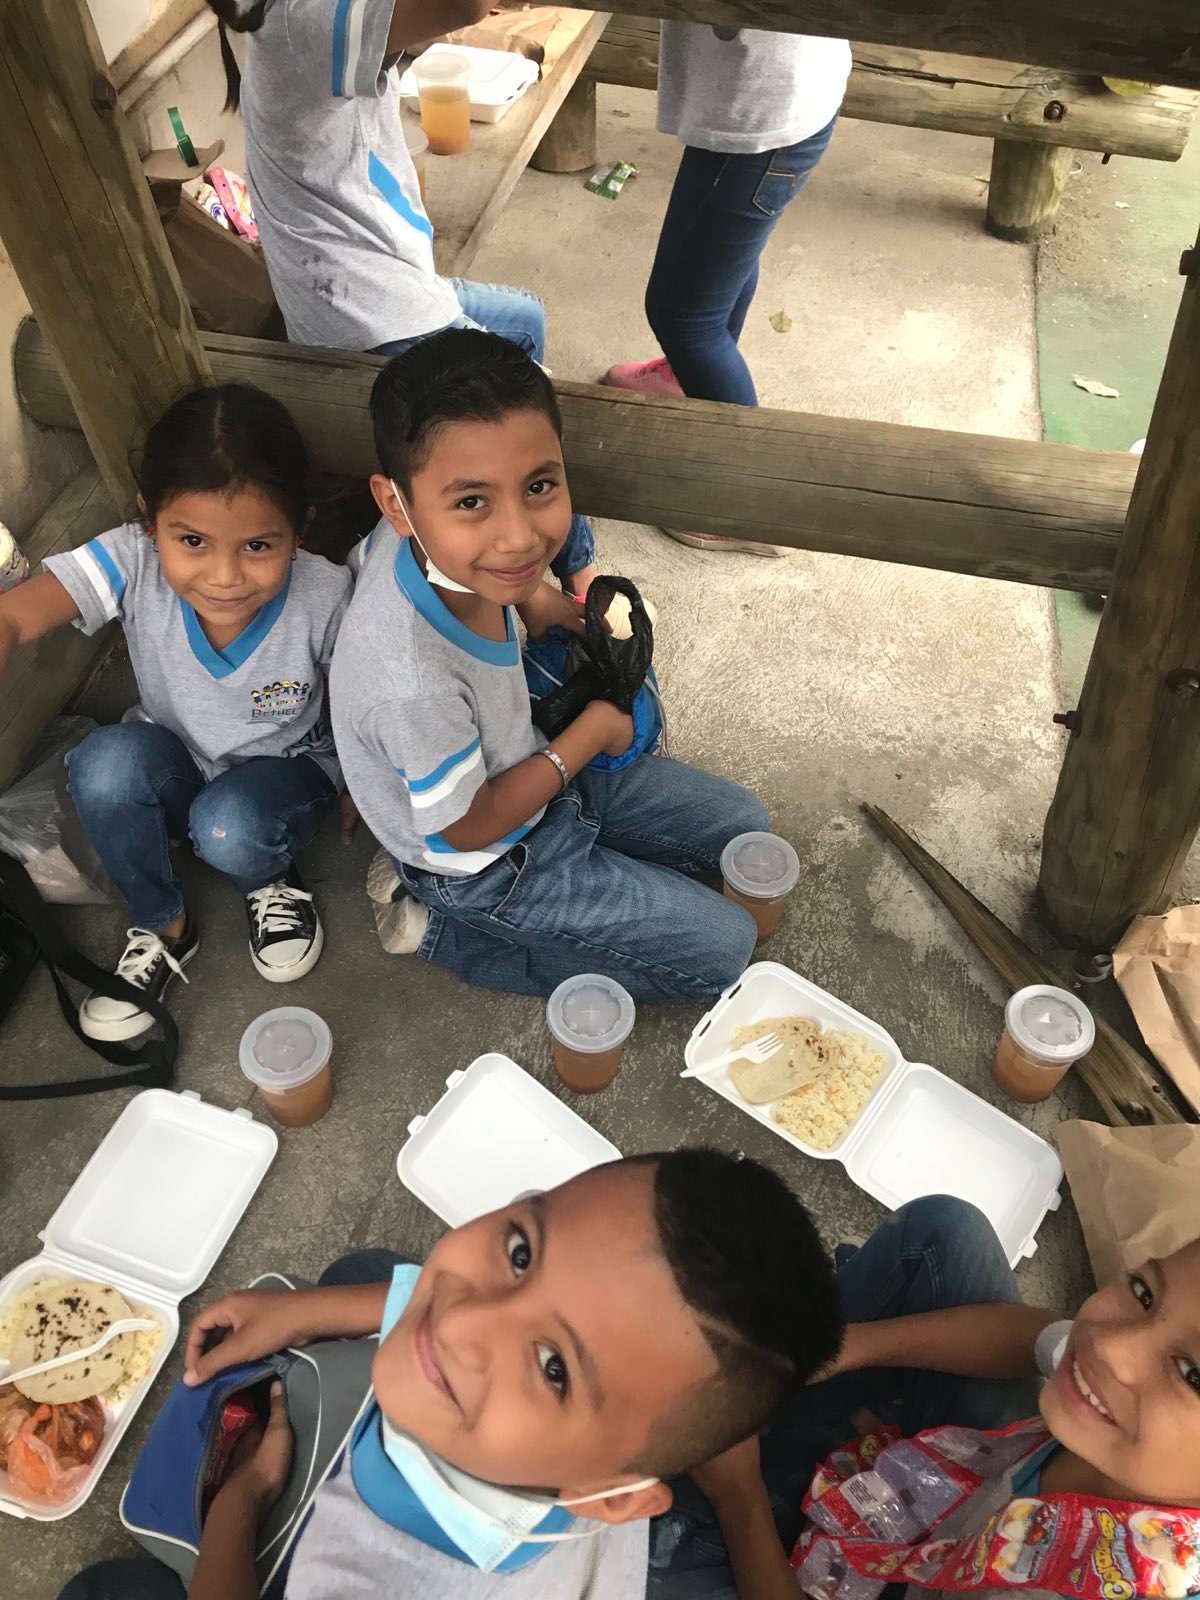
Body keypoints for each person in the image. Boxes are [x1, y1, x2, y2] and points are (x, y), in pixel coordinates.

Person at [58, 1148, 845, 1600]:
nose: (464, 1322)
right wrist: (305, 1312)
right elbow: (449, 1310)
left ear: (617, 1498)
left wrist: (244, 1500)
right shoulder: (593, 1455)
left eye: (554, 1367)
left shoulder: (357, 1583)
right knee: (371, 1275)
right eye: (521, 1252)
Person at [330, 326, 773, 999]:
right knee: (724, 955)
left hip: (528, 760)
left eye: (539, 485)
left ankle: (586, 867)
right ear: (397, 504)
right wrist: (588, 737)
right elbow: (469, 824)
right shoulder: (410, 683)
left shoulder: (421, 549)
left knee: (746, 827)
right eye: (472, 502)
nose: (519, 537)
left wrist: (538, 597)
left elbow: (499, 560)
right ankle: (442, 927)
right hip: (483, 856)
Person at [204, 0, 597, 594]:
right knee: (539, 400)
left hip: (384, 280)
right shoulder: (300, 17)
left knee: (524, 316)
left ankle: (534, 551)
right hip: (369, 311)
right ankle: (572, 577)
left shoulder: (297, 23)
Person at [0, 384, 350, 1041]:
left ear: (297, 530)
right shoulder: (131, 560)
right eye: (191, 540)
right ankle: (162, 923)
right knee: (100, 766)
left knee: (229, 828)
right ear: (148, 521)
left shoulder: (326, 594)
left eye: (257, 546)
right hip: (179, 759)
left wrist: (368, 780)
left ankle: (270, 877)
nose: (223, 576)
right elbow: (19, 613)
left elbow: (364, 699)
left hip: (289, 773)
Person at [650, 1194, 1200, 1600]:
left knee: (627, 1546)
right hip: (960, 1517)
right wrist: (842, 1349)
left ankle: (730, 1491)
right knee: (946, 1235)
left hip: (936, 1574)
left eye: (1192, 1374)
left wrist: (738, 1497)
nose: (1109, 1347)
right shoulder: (1113, 1402)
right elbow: (1039, 1340)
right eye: (1145, 1293)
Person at [605, 26, 850, 556]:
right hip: (763, 101)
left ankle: (747, 505)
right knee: (721, 261)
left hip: (766, 116)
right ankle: (686, 376)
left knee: (683, 316)